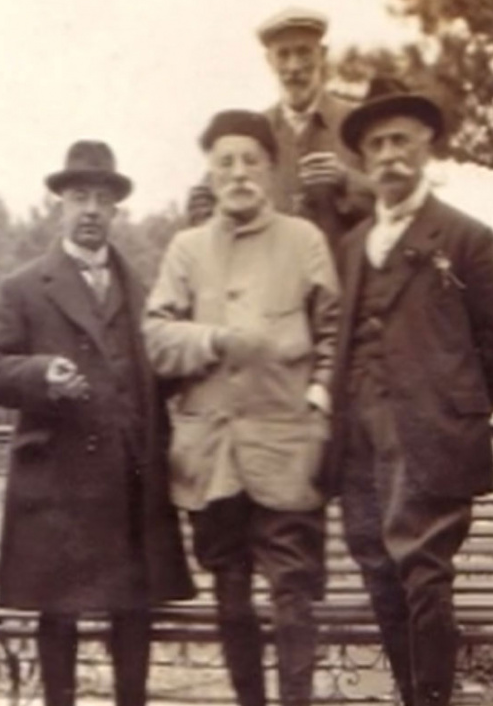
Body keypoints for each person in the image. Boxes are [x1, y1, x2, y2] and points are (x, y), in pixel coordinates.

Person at [325, 77, 493, 706]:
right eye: (376, 145)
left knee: (425, 579)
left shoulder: (465, 238)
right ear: (364, 158)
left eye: (400, 141)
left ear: (425, 146)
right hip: (361, 445)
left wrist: (453, 414)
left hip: (430, 443)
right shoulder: (353, 246)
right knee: (379, 573)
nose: (389, 155)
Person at [0, 141, 195, 706]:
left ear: (116, 209)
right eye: (79, 197)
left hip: (130, 481)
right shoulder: (24, 287)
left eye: (102, 198)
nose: (91, 210)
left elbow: (166, 372)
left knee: (133, 614)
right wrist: (40, 374)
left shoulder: (144, 290)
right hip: (58, 485)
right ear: (61, 205)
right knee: (59, 616)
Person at [143, 110, 340, 706]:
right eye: (225, 162)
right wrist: (214, 340)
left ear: (271, 170)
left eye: (251, 161)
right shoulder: (186, 249)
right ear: (210, 171)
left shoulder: (304, 240)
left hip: (287, 450)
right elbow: (155, 338)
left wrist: (318, 404)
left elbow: (334, 335)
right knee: (230, 596)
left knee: (293, 596)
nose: (238, 173)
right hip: (212, 457)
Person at [186, 7, 372, 253]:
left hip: (342, 273)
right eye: (283, 55)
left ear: (322, 55)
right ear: (269, 61)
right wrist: (205, 213)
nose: (293, 66)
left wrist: (347, 180)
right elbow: (206, 203)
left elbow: (395, 201)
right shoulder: (252, 132)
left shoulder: (357, 123)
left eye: (304, 52)